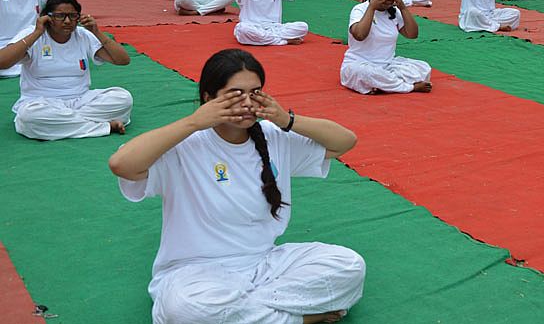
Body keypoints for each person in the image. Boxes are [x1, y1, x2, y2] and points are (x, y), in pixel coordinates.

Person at [109, 48, 366, 323]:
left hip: (265, 264)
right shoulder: (184, 145)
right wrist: (194, 122)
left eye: (255, 93)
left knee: (349, 266)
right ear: (208, 98)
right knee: (186, 310)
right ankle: (300, 318)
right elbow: (121, 164)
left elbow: (344, 142)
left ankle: (244, 312)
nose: (247, 103)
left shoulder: (272, 137)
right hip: (197, 274)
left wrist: (286, 120)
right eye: (235, 94)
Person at [0, 0, 132, 140]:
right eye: (60, 16)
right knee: (29, 116)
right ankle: (104, 126)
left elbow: (123, 60)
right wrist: (37, 33)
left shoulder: (83, 35)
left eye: (73, 16)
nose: (67, 21)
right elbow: (3, 62)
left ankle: (64, 123)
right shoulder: (32, 34)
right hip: (41, 102)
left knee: (123, 98)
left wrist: (97, 32)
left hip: (81, 100)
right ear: (47, 17)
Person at [341, 0, 432, 94]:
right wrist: (372, 8)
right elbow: (359, 35)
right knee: (368, 73)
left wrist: (403, 8)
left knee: (423, 68)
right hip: (360, 64)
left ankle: (382, 85)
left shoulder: (393, 12)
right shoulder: (360, 9)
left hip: (388, 65)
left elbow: (412, 34)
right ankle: (409, 87)